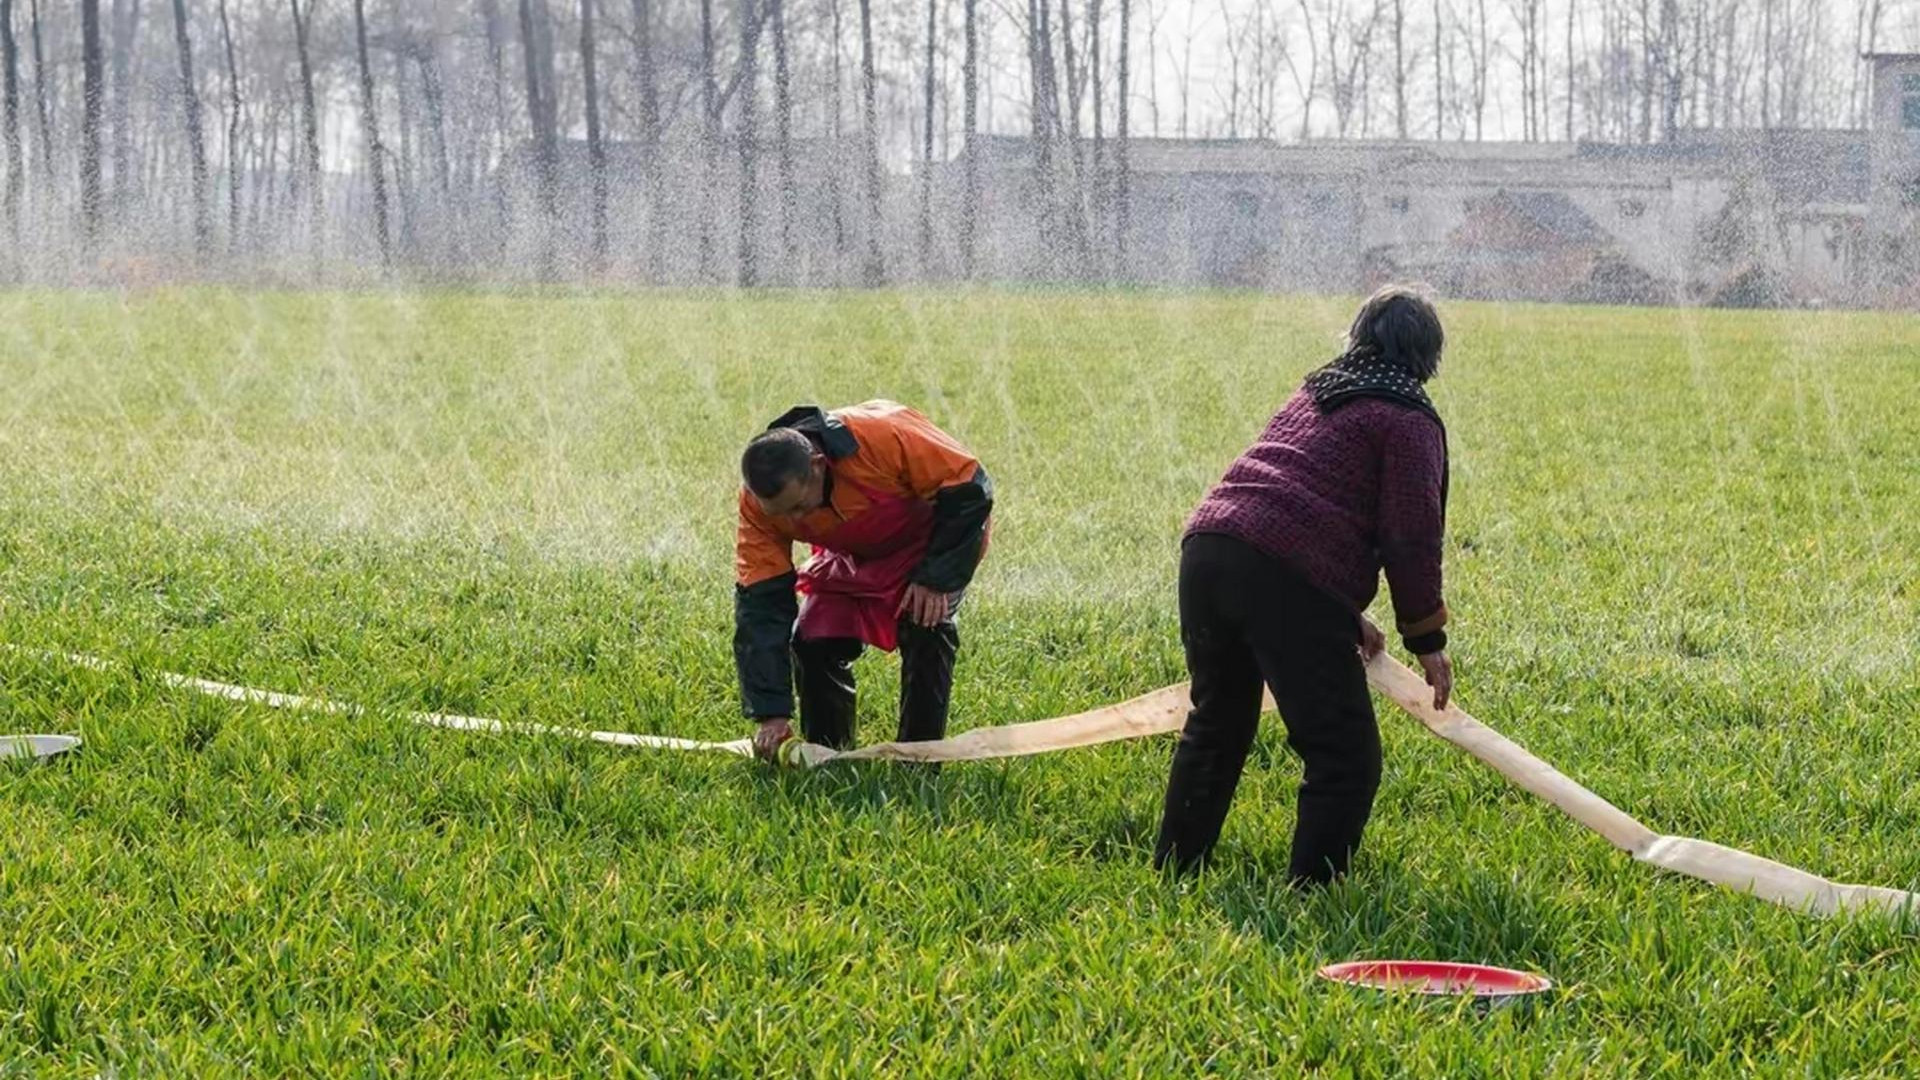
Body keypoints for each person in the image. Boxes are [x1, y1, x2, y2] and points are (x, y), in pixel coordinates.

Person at [1154, 285, 1455, 886]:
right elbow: (1410, 536)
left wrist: (1340, 613)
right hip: (1281, 572)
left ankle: (1176, 871)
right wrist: (1428, 639)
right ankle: (1313, 897)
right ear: (1427, 357)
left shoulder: (1316, 392)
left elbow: (1296, 504)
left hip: (1210, 549)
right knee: (1344, 755)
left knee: (1217, 724)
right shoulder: (1407, 417)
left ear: (1359, 336)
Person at [734, 401, 993, 761]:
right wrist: (770, 712)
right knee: (812, 640)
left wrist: (935, 579)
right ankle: (827, 754)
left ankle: (918, 759)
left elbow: (970, 488)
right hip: (850, 556)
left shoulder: (884, 434)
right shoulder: (757, 504)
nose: (792, 520)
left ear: (818, 465)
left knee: (926, 627)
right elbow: (761, 604)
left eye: (798, 506)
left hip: (931, 545)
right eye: (780, 513)